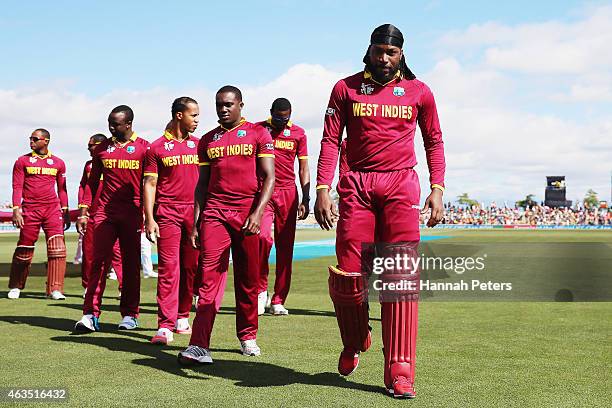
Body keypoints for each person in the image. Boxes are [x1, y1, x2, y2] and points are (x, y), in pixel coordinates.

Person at [314, 24, 446, 399]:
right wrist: (323, 188)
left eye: (391, 53)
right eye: (378, 51)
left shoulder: (419, 92)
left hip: (400, 186)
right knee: (348, 275)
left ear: (401, 54)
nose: (384, 59)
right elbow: (329, 139)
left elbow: (434, 141)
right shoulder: (346, 88)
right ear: (369, 50)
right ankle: (355, 339)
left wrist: (437, 188)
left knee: (399, 278)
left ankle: (400, 370)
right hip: (356, 184)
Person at [177, 86, 275, 365]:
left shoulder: (259, 133)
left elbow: (270, 177)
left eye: (229, 104)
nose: (223, 109)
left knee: (248, 280)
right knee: (208, 279)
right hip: (215, 214)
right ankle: (198, 345)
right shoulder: (208, 140)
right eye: (219, 104)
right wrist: (197, 221)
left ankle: (247, 335)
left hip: (247, 215)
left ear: (240, 105)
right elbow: (202, 185)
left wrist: (257, 214)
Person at [74, 105, 150, 332]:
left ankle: (130, 315)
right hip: (105, 213)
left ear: (128, 124)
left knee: (130, 265)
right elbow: (92, 182)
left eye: (115, 124)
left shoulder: (144, 149)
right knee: (98, 262)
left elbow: (151, 184)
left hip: (132, 213)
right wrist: (84, 211)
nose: (111, 128)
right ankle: (90, 314)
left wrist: (149, 215)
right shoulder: (102, 149)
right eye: (109, 123)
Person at [143, 96, 200, 345]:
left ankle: (182, 316)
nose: (197, 120)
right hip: (167, 212)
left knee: (191, 268)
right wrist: (149, 218)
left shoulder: (200, 145)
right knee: (168, 268)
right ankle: (164, 326)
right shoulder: (155, 149)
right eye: (193, 115)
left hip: (195, 213)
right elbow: (150, 183)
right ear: (179, 115)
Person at [256, 98, 310, 316]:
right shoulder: (259, 130)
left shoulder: (298, 133)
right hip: (264, 191)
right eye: (278, 117)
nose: (281, 121)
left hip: (288, 193)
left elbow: (304, 167)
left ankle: (278, 300)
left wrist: (306, 198)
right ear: (271, 113)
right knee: (262, 240)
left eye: (285, 118)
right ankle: (260, 292)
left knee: (285, 248)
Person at [8, 128, 70, 300]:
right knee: (24, 249)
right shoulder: (22, 161)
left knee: (58, 248)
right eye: (30, 139)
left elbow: (62, 189)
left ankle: (55, 289)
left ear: (46, 141)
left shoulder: (58, 163)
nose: (31, 142)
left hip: (52, 209)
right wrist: (16, 209)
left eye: (35, 139)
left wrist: (65, 210)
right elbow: (17, 187)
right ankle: (16, 286)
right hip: (30, 209)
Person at [78, 134, 123, 298]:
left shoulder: (114, 161)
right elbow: (84, 187)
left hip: (113, 214)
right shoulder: (89, 166)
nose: (89, 148)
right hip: (92, 215)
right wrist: (83, 209)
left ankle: (123, 288)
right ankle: (88, 287)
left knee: (119, 253)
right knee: (89, 253)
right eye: (88, 145)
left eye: (92, 145)